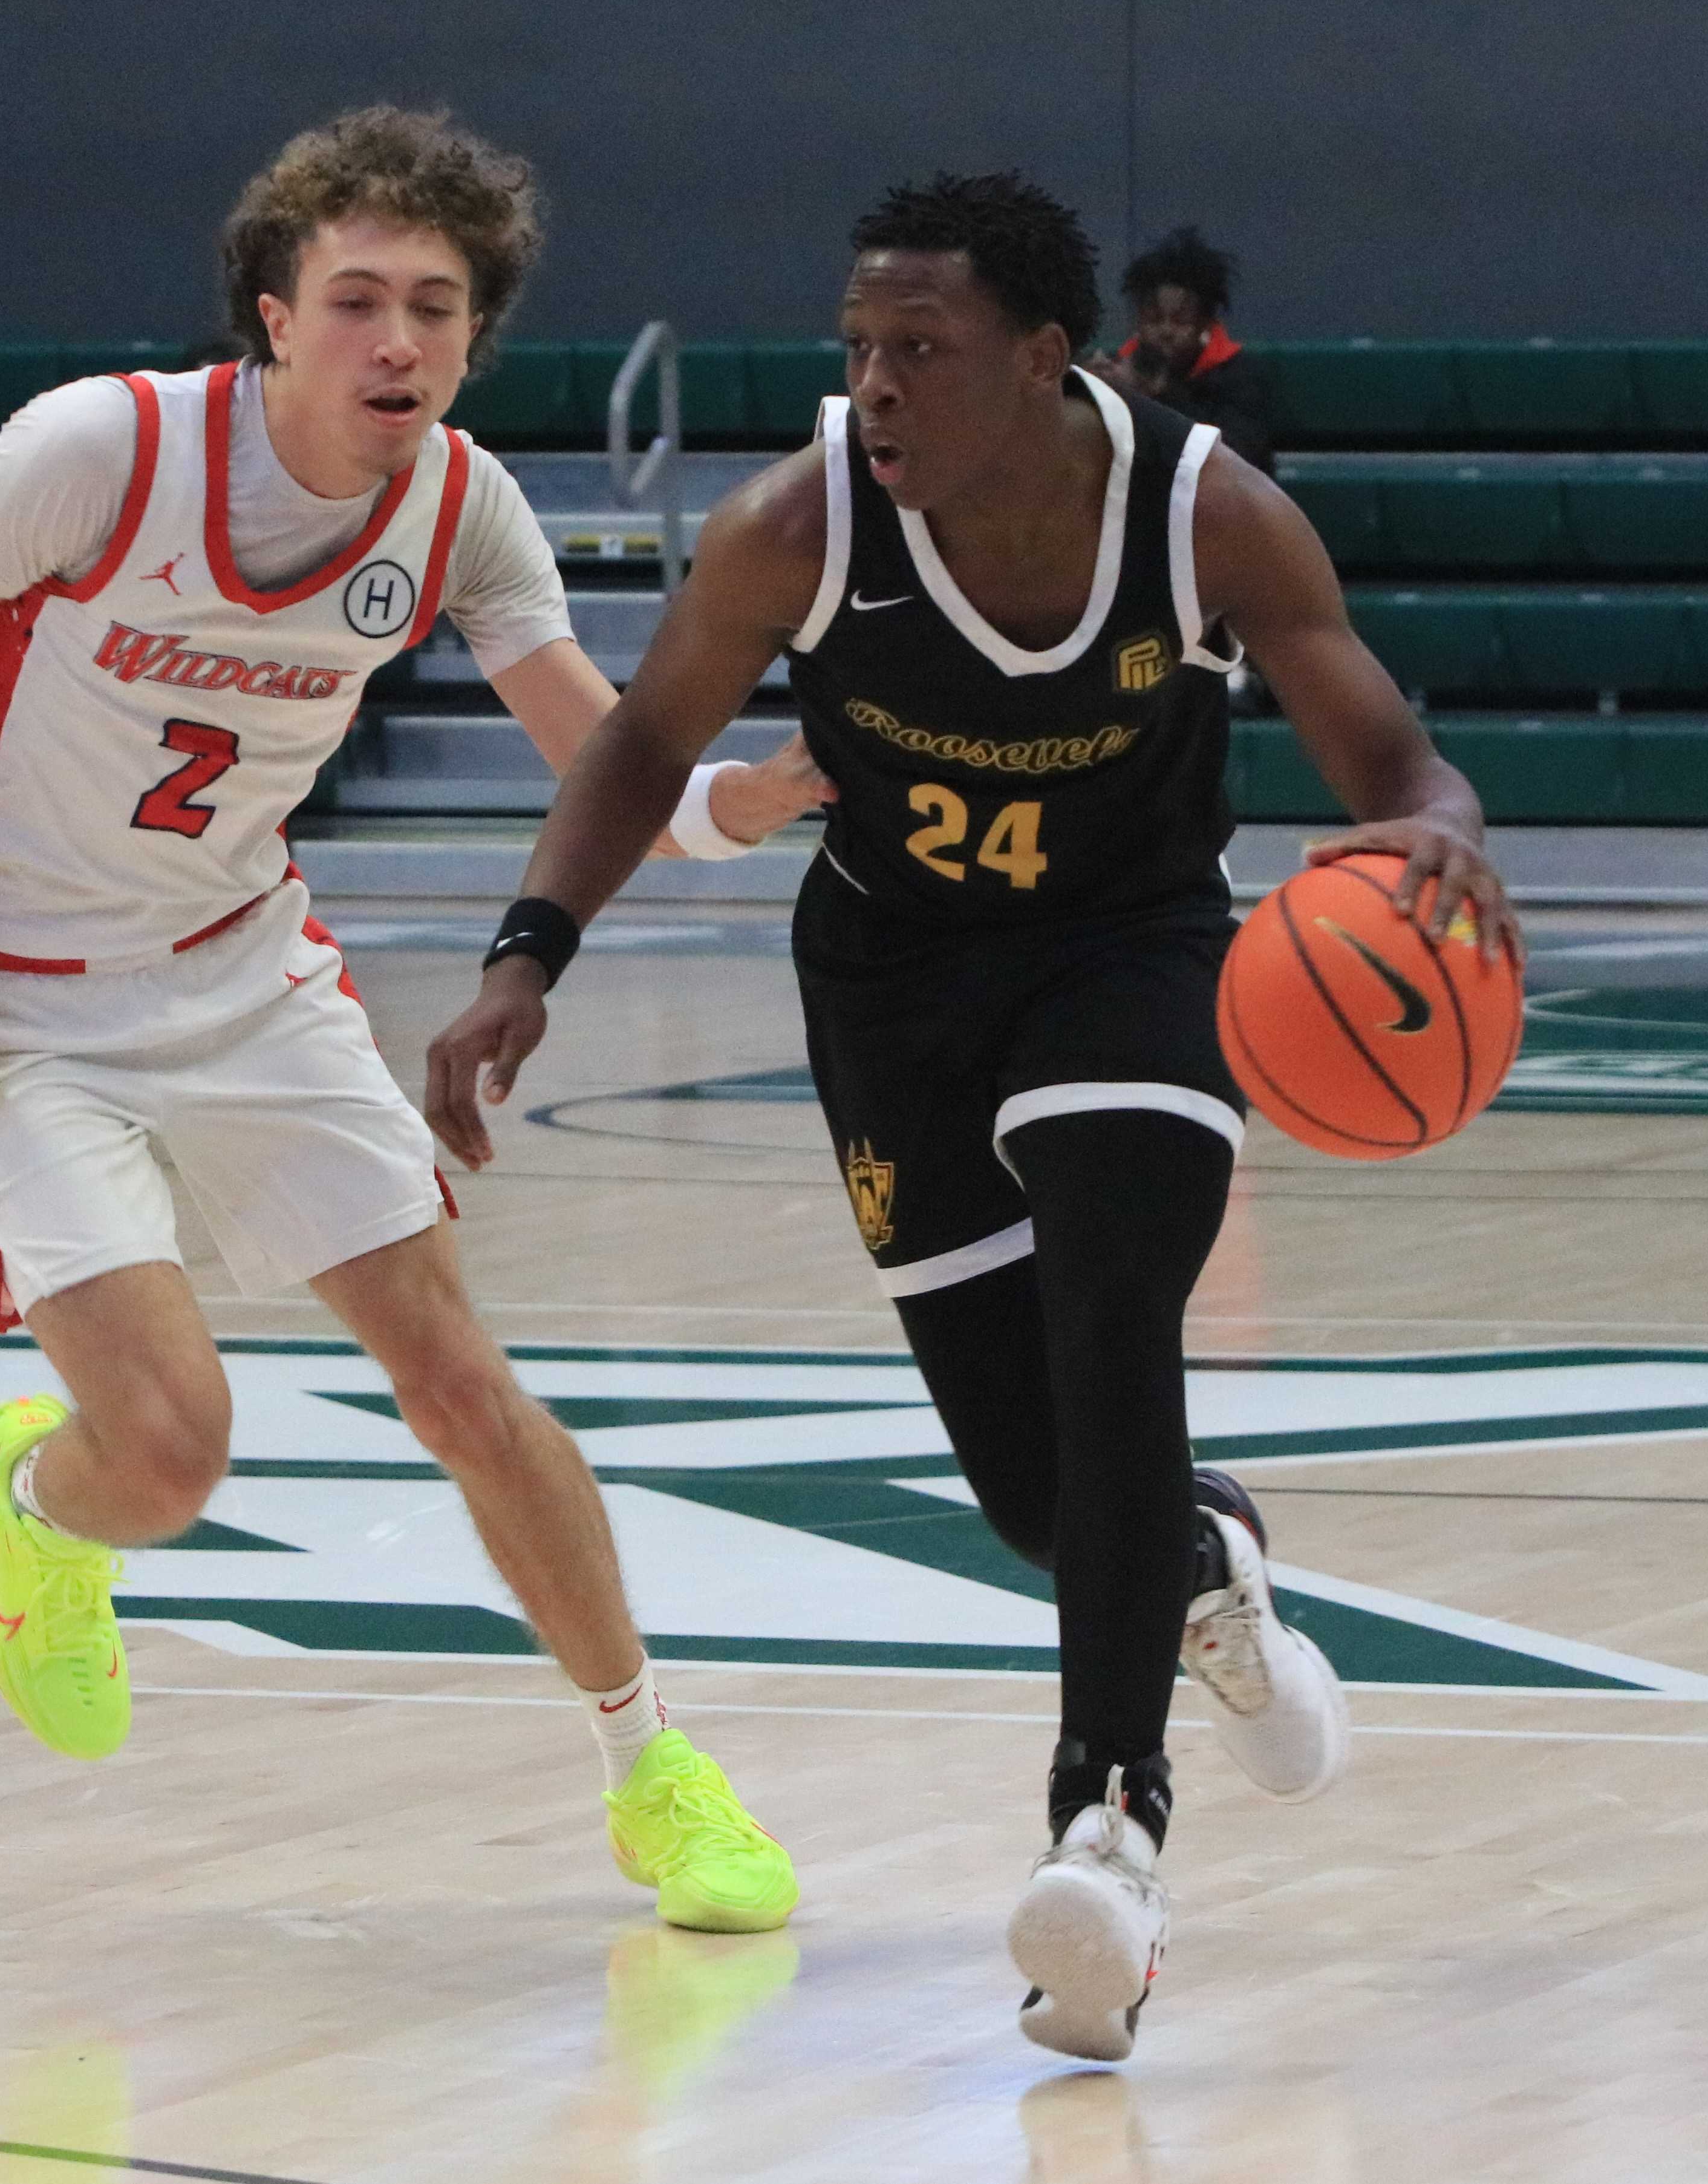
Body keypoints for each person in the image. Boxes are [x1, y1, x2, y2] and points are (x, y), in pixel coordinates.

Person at [425, 171, 1524, 2062]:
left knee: (1112, 1337)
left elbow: (1384, 749)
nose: (875, 388)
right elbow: (637, 741)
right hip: (893, 988)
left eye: (917, 351)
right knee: (1043, 1496)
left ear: (1041, 357)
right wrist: (528, 949)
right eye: (855, 349)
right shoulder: (800, 523)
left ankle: (1107, 1837)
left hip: (1127, 951)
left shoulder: (1202, 513)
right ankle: (1200, 1562)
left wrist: (1431, 820)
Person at [0, 105, 820, 1937]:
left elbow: (605, 763)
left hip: (244, 974)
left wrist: (734, 800)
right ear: (271, 317)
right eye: (355, 301)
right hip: (19, 1004)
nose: (397, 342)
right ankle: (41, 1506)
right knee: (171, 1459)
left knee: (456, 1378)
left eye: (434, 309)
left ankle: (650, 1767)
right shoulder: (103, 452)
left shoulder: (458, 507)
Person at [1089, 223, 1276, 472]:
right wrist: (1092, 390)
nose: (1166, 331)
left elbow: (1242, 455)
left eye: (1180, 321)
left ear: (1205, 324)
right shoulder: (1119, 370)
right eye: (1154, 319)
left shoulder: (1240, 374)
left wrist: (1159, 394)